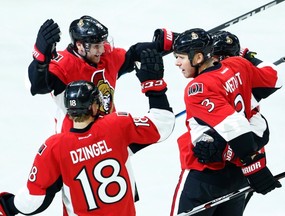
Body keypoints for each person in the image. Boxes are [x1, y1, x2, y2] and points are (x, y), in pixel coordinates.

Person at [0, 49, 175, 216]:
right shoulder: (116, 126)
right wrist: (153, 85)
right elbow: (162, 124)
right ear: (93, 106)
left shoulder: (55, 147)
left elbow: (33, 201)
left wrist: (7, 205)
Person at [169, 28, 282, 216]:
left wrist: (255, 166)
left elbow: (235, 127)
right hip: (237, 176)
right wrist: (247, 55)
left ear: (197, 58)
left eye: (180, 57)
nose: (177, 63)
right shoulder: (238, 64)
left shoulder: (198, 88)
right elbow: (275, 78)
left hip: (204, 176)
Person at [28, 16, 175, 134]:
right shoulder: (64, 64)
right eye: (96, 46)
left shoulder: (105, 57)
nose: (102, 50)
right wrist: (40, 59)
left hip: (108, 135)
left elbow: (134, 54)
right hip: (75, 144)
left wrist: (169, 44)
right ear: (79, 45)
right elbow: (39, 86)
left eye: (102, 43)